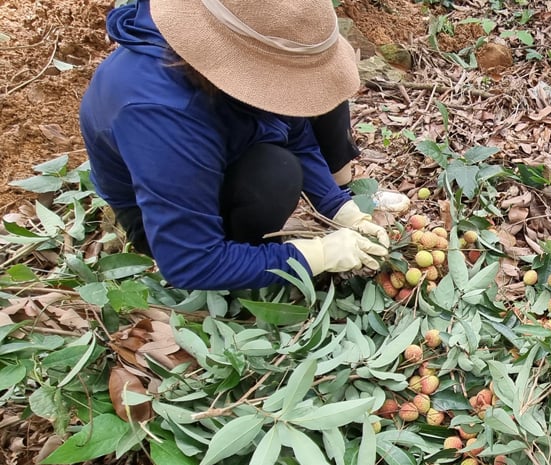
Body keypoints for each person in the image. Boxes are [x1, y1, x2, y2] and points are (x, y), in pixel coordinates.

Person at [79, 0, 389, 291]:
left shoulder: (245, 40)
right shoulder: (158, 110)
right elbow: (190, 262)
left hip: (215, 139)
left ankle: (252, 255)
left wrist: (339, 207)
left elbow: (292, 131)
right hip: (160, 213)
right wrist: (312, 256)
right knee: (274, 175)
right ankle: (242, 259)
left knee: (322, 97)